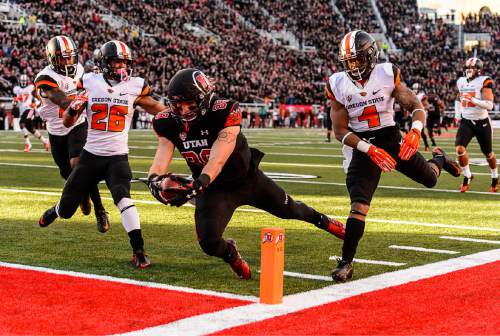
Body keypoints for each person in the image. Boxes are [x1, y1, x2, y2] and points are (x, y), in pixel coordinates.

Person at [147, 68, 345, 279]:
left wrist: (201, 181)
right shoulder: (166, 121)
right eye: (177, 105)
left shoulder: (224, 110)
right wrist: (153, 180)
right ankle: (231, 254)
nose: (184, 111)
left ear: (204, 98)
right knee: (208, 242)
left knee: (291, 210)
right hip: (213, 189)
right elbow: (162, 154)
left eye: (190, 104)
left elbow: (218, 156)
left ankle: (325, 221)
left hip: (247, 180)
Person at [326, 30, 461, 282]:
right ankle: (346, 262)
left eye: (357, 59)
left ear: (370, 55)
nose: (353, 66)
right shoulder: (338, 84)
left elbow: (415, 106)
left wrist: (415, 131)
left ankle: (439, 158)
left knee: (430, 179)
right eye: (349, 61)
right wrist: (369, 149)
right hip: (363, 144)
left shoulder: (387, 73)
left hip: (390, 137)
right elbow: (340, 130)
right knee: (359, 205)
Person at [39, 40, 168, 268]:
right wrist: (74, 107)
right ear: (105, 63)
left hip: (118, 157)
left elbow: (154, 106)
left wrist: (177, 116)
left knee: (123, 197)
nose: (121, 67)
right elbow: (68, 120)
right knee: (68, 209)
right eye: (116, 61)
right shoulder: (89, 82)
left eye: (124, 62)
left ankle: (138, 249)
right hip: (91, 155)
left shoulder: (135, 86)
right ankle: (56, 211)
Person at [34, 35, 109, 232]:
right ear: (52, 58)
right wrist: (77, 102)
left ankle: (100, 211)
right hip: (57, 130)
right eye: (62, 58)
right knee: (68, 175)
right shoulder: (45, 77)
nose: (68, 62)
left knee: (80, 165)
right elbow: (61, 100)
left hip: (78, 125)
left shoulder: (81, 70)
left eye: (70, 57)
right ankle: (84, 196)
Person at [455, 57, 497, 192]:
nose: (469, 70)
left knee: (488, 154)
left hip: (482, 122)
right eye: (468, 68)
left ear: (478, 70)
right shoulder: (461, 81)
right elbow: (458, 98)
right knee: (460, 149)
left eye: (472, 68)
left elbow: (490, 105)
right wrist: (457, 114)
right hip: (466, 120)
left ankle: (495, 177)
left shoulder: (485, 80)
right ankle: (467, 175)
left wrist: (472, 99)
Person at [13, 74, 50, 152]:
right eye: (22, 81)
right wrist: (15, 102)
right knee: (31, 129)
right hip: (22, 110)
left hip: (30, 109)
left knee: (21, 123)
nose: (23, 83)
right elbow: (15, 101)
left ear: (27, 81)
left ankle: (28, 144)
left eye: (24, 81)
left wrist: (35, 104)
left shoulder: (31, 88)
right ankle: (45, 141)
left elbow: (38, 98)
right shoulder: (16, 89)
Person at [411, 83, 434, 150]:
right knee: (412, 130)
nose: (414, 90)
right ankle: (413, 145)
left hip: (420, 115)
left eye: (416, 89)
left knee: (420, 131)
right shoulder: (412, 95)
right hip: (413, 114)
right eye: (414, 89)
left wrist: (420, 108)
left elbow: (427, 106)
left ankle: (426, 145)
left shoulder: (421, 96)